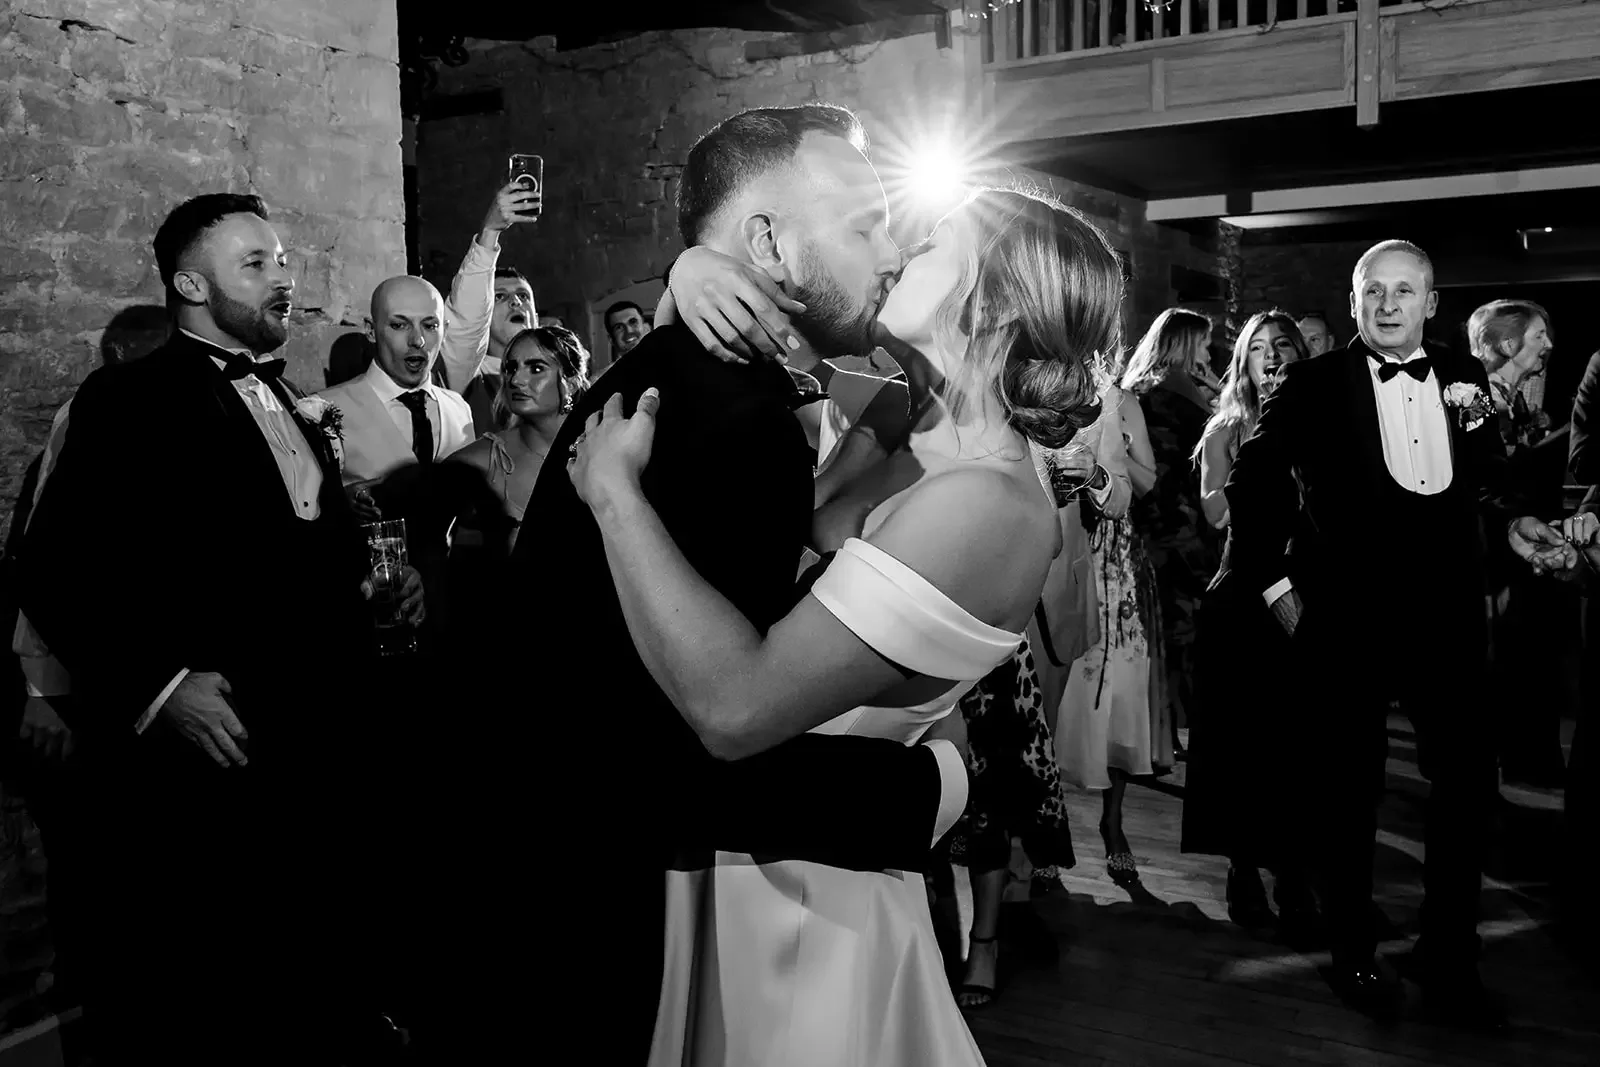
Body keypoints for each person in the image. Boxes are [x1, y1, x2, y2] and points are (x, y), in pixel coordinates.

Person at [568, 146, 1121, 1067]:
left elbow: (735, 708)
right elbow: (773, 348)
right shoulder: (909, 425)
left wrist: (615, 496)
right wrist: (695, 270)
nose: (898, 253)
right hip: (751, 855)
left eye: (932, 244)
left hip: (807, 905)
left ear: (993, 303)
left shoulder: (989, 506)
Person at [451, 105, 953, 1065]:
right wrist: (925, 789)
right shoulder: (735, 415)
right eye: (865, 226)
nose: (891, 252)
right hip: (581, 892)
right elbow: (692, 726)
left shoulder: (691, 374)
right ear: (765, 240)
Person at [16, 193, 423, 1064]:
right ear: (191, 285)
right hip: (221, 752)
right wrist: (159, 684)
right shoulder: (130, 397)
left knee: (313, 967)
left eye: (283, 260)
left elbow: (293, 547)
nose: (284, 277)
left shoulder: (288, 396)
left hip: (320, 744)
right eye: (256, 263)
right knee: (220, 991)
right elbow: (53, 566)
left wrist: (374, 584)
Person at [1224, 239, 1538, 1029]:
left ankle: (1449, 949)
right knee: (1349, 792)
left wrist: (1515, 525)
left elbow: (1487, 479)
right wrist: (1275, 586)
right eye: (1375, 291)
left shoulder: (1463, 376)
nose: (1389, 304)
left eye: (1405, 291)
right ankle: (1353, 950)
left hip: (1449, 620)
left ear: (1431, 303)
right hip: (1349, 618)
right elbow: (1250, 481)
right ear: (1356, 301)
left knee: (1467, 786)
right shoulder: (1315, 381)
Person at [1180, 309, 1319, 941]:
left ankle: (1294, 871)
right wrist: (1251, 463)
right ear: (1243, 363)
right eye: (1257, 347)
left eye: (1281, 345)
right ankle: (1242, 867)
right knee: (1241, 741)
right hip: (1243, 594)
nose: (1270, 355)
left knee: (1298, 742)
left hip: (1309, 588)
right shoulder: (1227, 428)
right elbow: (1214, 515)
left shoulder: (1321, 423)